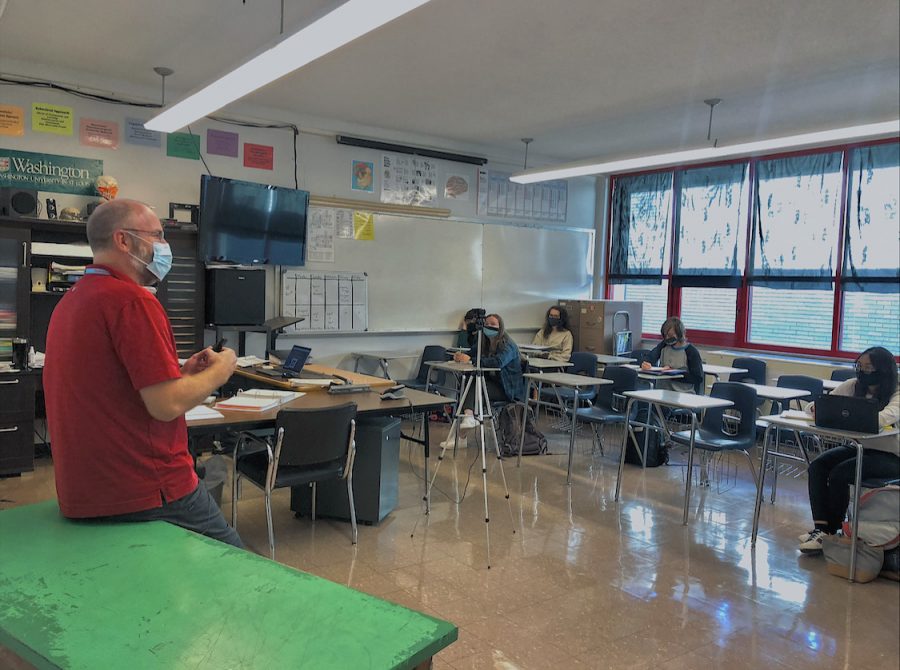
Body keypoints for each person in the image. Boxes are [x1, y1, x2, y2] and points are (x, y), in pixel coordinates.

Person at [44, 199, 243, 547]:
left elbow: (113, 386)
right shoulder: (132, 301)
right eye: (157, 235)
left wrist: (180, 372)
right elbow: (164, 406)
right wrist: (221, 372)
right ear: (123, 240)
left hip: (85, 490)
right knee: (242, 565)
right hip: (145, 486)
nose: (163, 246)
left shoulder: (74, 298)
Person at [798, 346, 900, 554]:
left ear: (883, 370)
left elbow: (883, 418)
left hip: (892, 455)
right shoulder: (853, 386)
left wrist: (850, 414)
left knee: (840, 474)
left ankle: (832, 531)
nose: (862, 371)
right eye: (859, 366)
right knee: (818, 466)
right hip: (862, 447)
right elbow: (815, 406)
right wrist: (818, 409)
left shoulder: (897, 392)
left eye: (869, 367)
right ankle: (821, 529)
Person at [441, 313, 525, 447]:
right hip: (492, 383)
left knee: (475, 384)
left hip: (507, 389)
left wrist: (471, 360)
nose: (489, 327)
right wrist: (462, 356)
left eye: (493, 324)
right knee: (471, 382)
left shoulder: (508, 345)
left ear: (500, 327)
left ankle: (463, 432)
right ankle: (466, 422)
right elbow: (471, 353)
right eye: (487, 324)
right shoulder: (483, 341)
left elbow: (498, 362)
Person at [640, 316, 704, 393]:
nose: (667, 338)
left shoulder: (691, 351)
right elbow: (650, 357)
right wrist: (645, 363)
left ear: (679, 334)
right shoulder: (663, 345)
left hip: (683, 394)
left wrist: (674, 373)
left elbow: (697, 378)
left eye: (670, 335)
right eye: (665, 335)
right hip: (662, 393)